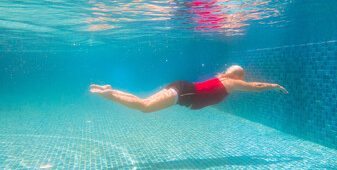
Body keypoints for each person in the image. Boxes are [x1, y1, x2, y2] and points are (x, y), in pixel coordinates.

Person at [90, 65, 288, 113]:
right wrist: (274, 85)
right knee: (145, 106)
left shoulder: (223, 79)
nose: (244, 82)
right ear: (237, 77)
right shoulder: (230, 82)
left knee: (146, 103)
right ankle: (109, 94)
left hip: (183, 88)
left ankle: (110, 90)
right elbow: (256, 86)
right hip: (185, 92)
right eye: (243, 78)